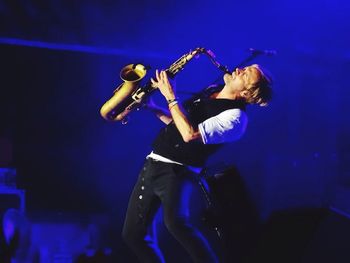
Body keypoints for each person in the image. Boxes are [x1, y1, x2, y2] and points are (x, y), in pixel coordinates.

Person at [122, 64, 273, 262]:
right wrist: (153, 107)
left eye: (245, 75)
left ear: (245, 92)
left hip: (178, 171)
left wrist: (171, 96)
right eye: (244, 68)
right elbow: (179, 125)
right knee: (133, 235)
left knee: (176, 224)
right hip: (154, 163)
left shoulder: (236, 118)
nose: (238, 70)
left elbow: (189, 134)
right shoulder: (211, 92)